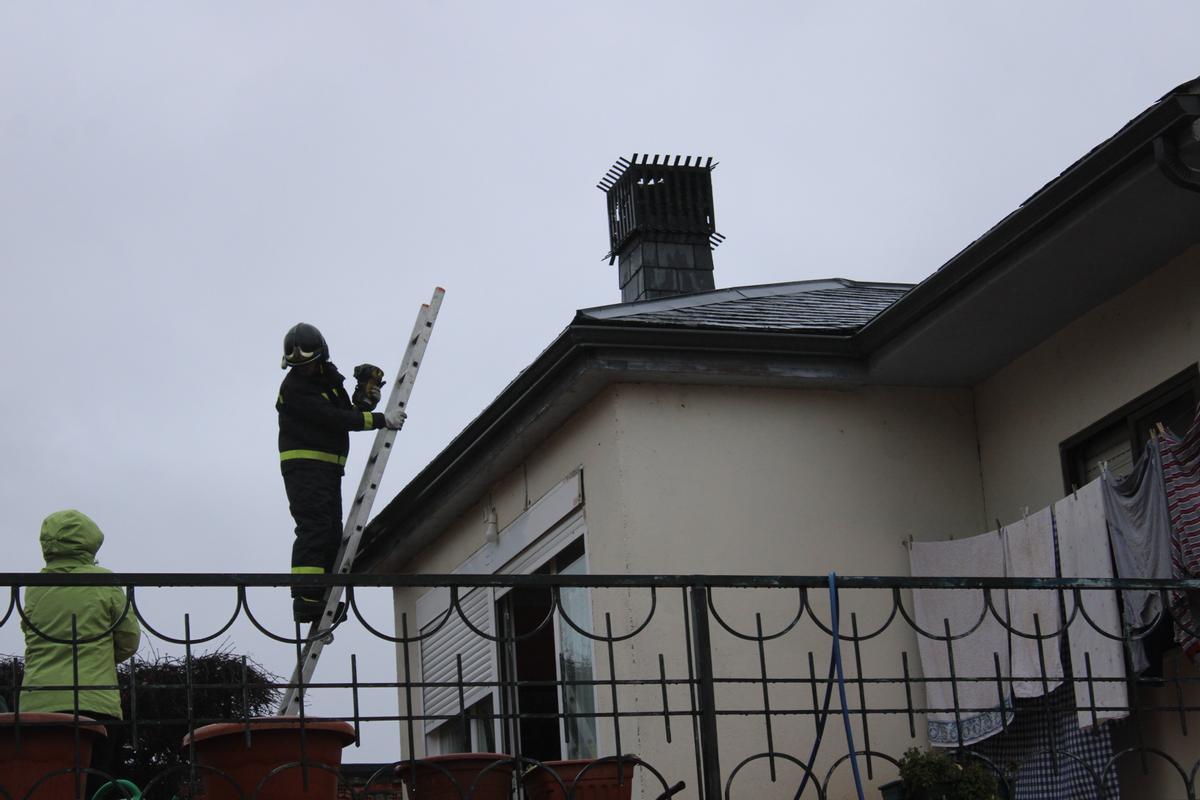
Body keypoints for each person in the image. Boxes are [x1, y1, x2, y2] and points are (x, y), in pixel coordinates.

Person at [277, 322, 406, 623]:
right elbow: (332, 418)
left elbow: (343, 411)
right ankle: (306, 599)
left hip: (327, 467)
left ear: (320, 357)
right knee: (315, 528)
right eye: (299, 366)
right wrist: (379, 419)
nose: (304, 370)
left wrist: (362, 399)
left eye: (308, 364)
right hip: (305, 467)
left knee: (331, 531)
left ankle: (321, 594)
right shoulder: (294, 389)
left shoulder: (328, 379)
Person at [20, 509, 141, 798]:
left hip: (38, 705)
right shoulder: (104, 582)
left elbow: (29, 631)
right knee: (96, 786)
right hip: (95, 703)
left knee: (47, 787)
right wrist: (97, 656)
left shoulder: (34, 588)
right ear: (90, 543)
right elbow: (129, 639)